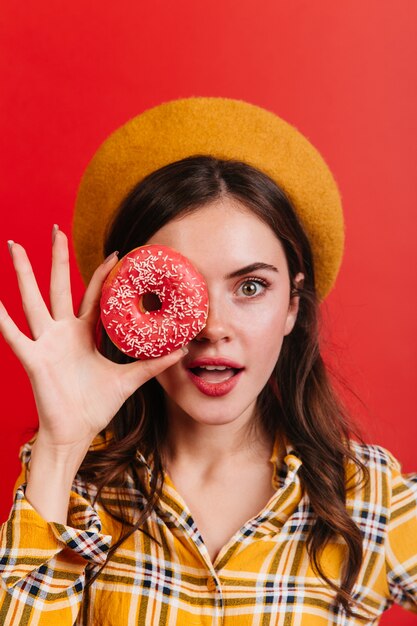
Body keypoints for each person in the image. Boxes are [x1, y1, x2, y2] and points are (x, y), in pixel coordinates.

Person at [0, 98, 416, 626]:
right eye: (176, 290)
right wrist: (60, 452)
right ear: (130, 300)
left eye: (250, 286)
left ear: (292, 305)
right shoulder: (72, 484)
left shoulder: (370, 495)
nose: (212, 327)